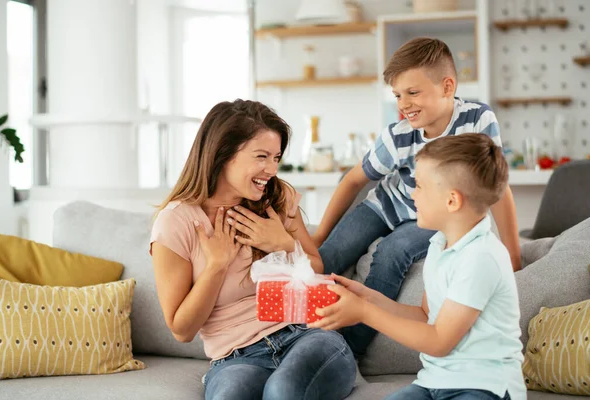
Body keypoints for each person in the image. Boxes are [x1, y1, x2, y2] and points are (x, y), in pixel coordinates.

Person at [311, 37, 521, 357]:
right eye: (397, 95)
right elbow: (352, 181)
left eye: (412, 92)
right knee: (330, 256)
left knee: (393, 250)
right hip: (385, 205)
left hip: (433, 215)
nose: (403, 104)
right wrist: (320, 237)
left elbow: (498, 188)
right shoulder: (398, 135)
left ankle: (348, 350)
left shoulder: (477, 121)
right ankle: (297, 334)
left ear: (447, 86)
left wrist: (513, 256)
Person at [150, 99, 356, 400]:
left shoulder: (277, 198)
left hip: (305, 337)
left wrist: (282, 244)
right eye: (262, 157)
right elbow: (182, 330)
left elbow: (316, 267)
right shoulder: (176, 223)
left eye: (276, 158)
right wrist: (216, 266)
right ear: (223, 154)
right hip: (235, 358)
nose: (272, 170)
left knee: (283, 391)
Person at [311, 133, 525, 400]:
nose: (412, 193)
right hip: (434, 383)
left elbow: (438, 341)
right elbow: (425, 315)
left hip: (484, 387)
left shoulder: (481, 256)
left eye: (420, 186)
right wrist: (367, 297)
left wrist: (365, 313)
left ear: (452, 201)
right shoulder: (439, 244)